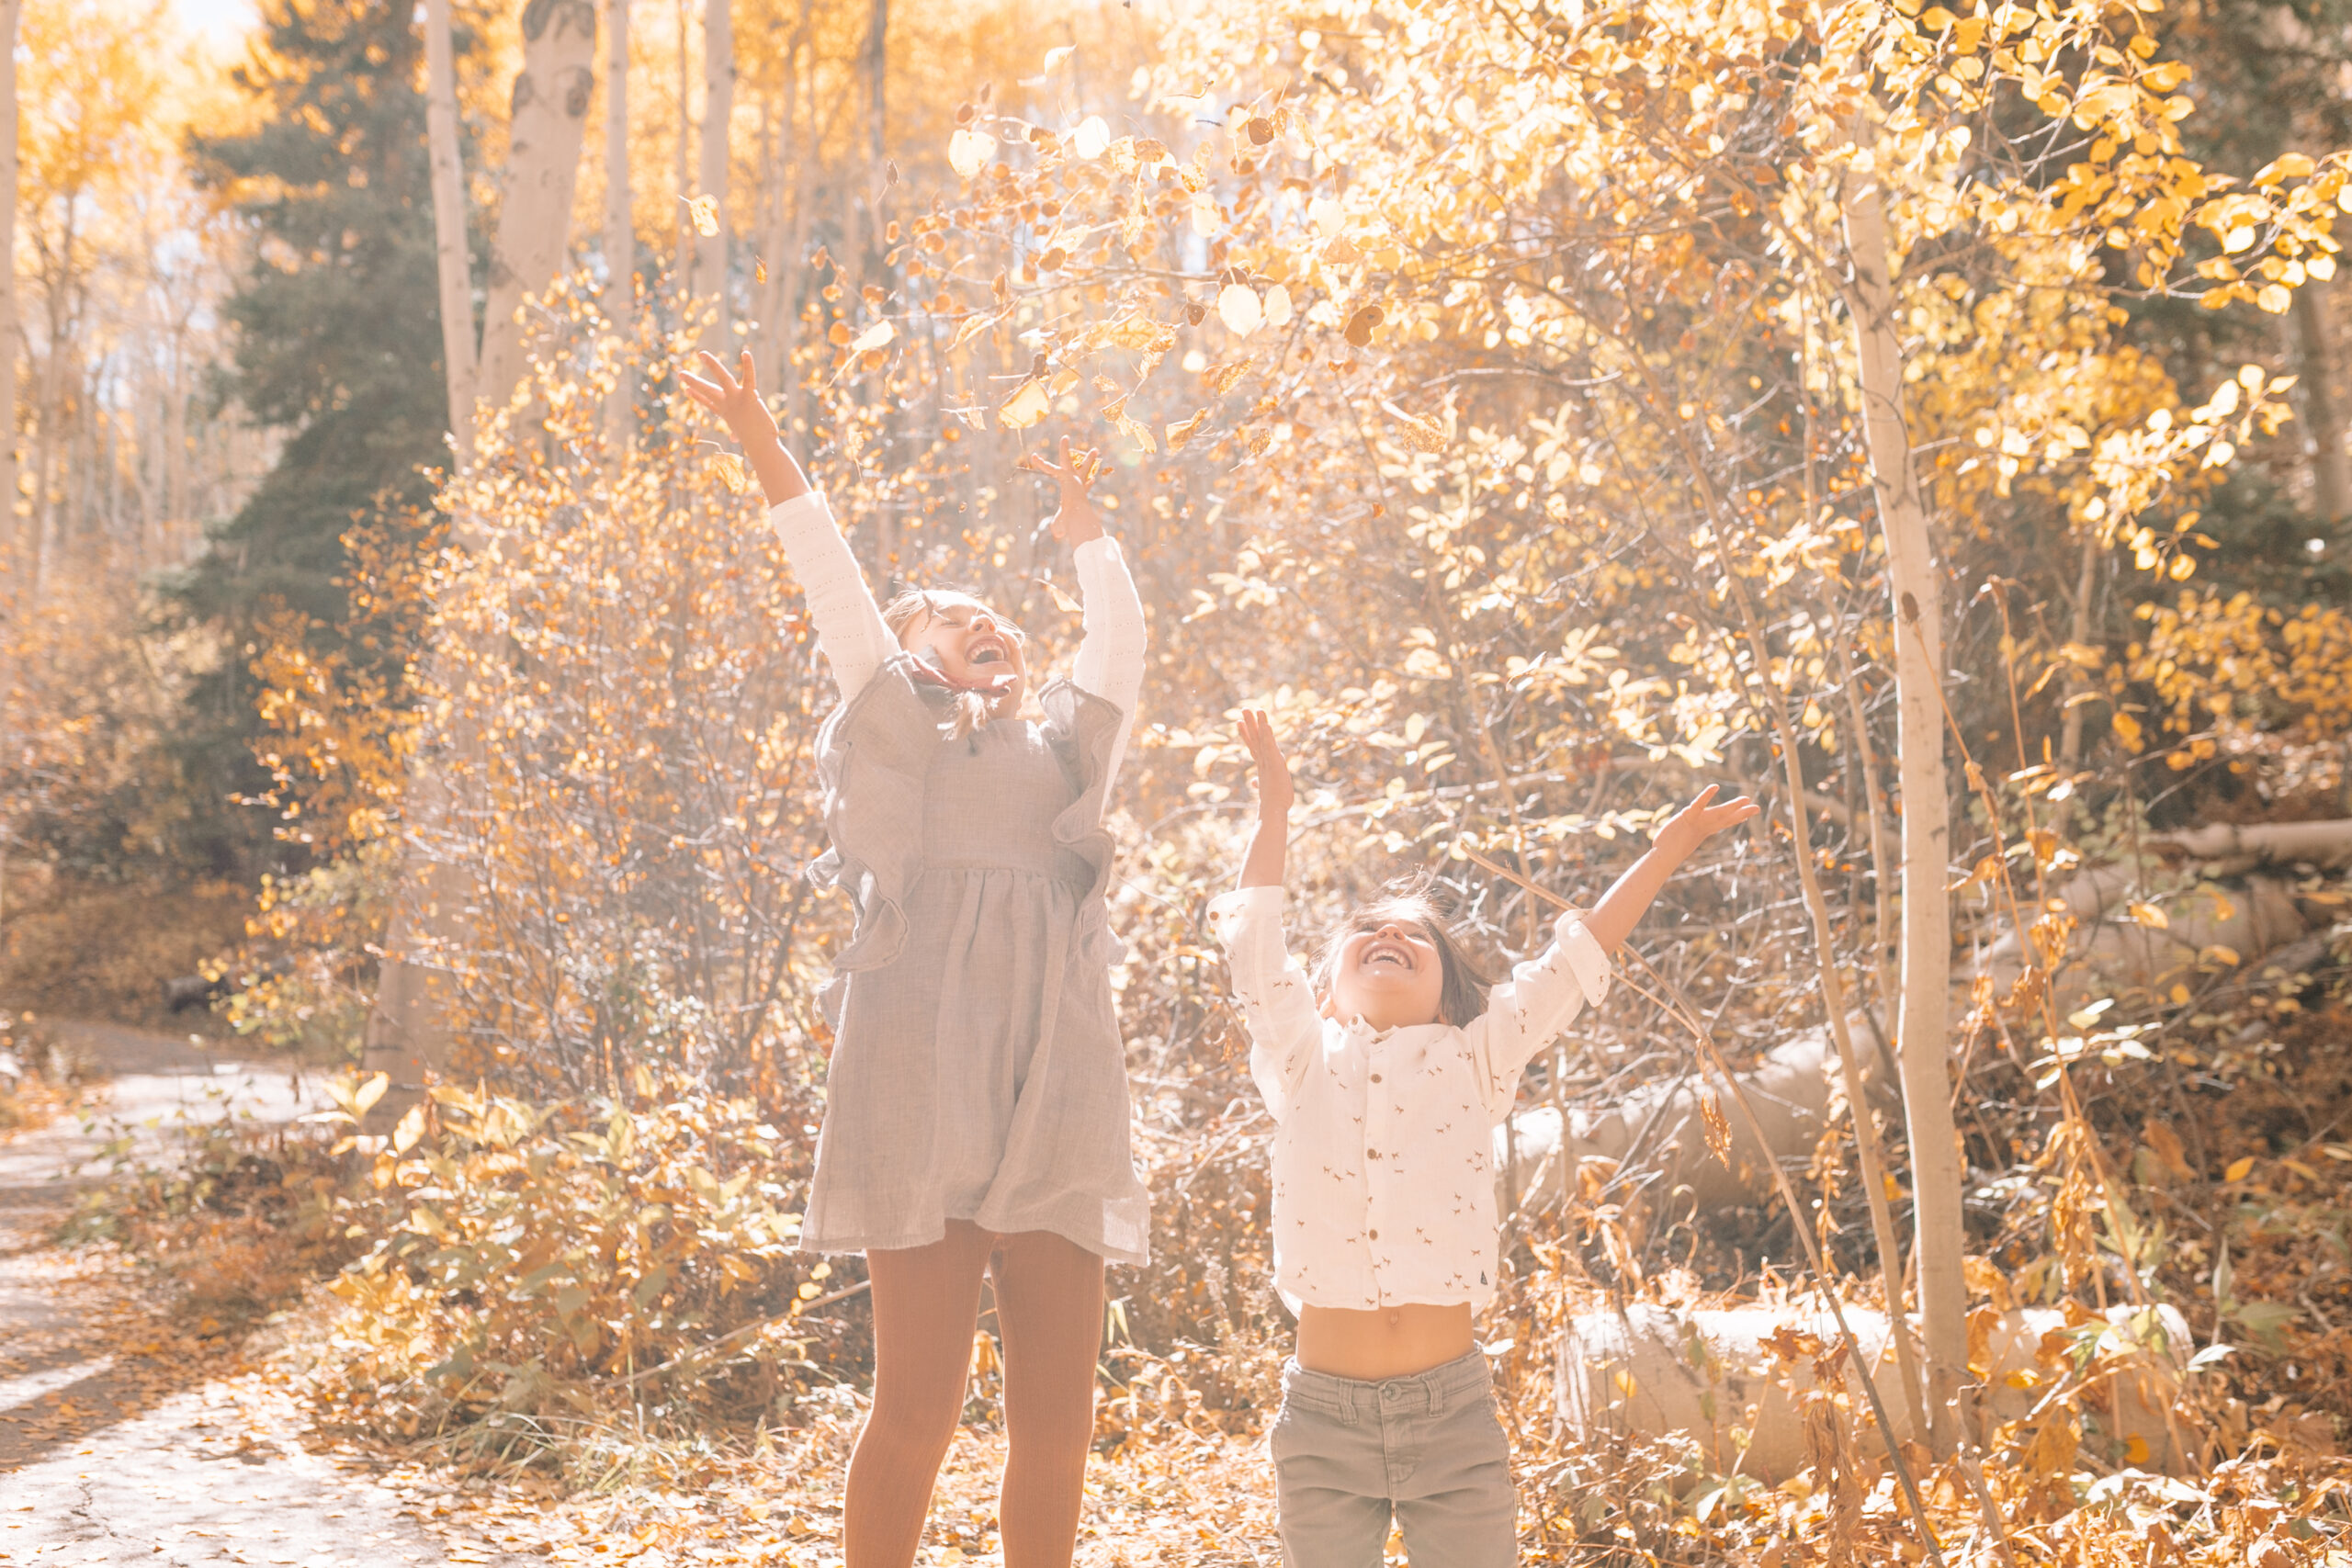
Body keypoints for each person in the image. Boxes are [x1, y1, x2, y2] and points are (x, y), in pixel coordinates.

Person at [683, 349, 1148, 1568]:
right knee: (917, 1412)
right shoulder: (897, 727)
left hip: (1056, 1099)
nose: (985, 619)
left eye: (996, 611)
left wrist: (1088, 529)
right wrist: (761, 439)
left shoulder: (1065, 745)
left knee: (1059, 1423)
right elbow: (832, 580)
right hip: (918, 1091)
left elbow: (1123, 639)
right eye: (951, 613)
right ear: (912, 653)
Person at [1208, 708, 1757, 1568]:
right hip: (1323, 1419)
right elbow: (1254, 950)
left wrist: (1666, 850)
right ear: (1326, 989)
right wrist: (1275, 807)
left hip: (1452, 1416)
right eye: (1370, 930)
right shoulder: (1303, 1058)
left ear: (1449, 991)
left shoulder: (1476, 1056)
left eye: (1414, 934)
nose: (1390, 933)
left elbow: (1572, 959)